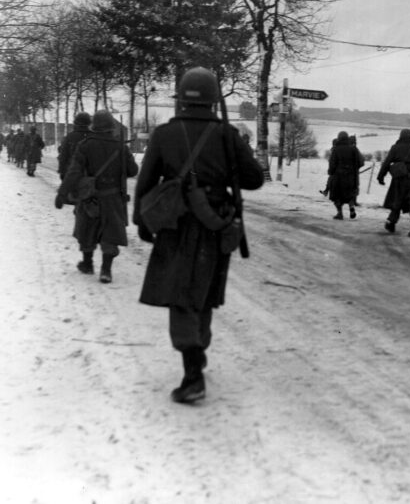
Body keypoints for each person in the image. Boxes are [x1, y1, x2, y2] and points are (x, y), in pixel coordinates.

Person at [133, 67, 264, 404]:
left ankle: (193, 374)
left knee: (180, 295)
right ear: (212, 101)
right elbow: (254, 179)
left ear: (181, 99)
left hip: (175, 225)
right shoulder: (226, 134)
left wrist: (143, 223)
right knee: (204, 292)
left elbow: (146, 182)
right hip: (215, 225)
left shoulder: (164, 134)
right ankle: (198, 351)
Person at [56, 110, 138, 283]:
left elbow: (74, 172)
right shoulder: (120, 146)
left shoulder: (85, 145)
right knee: (111, 233)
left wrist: (62, 194)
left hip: (89, 197)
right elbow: (133, 170)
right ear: (111, 127)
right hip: (113, 198)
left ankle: (87, 264)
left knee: (86, 229)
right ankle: (106, 271)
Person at [376, 128, 410, 237]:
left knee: (397, 203)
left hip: (399, 181)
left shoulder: (395, 148)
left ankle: (391, 223)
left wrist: (381, 177)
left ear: (400, 137)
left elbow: (386, 163)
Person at [327, 131, 364, 219]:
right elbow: (359, 162)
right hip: (351, 176)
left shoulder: (336, 149)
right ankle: (351, 206)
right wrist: (353, 169)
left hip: (338, 177)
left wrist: (331, 172)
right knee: (350, 194)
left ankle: (340, 213)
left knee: (337, 195)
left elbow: (332, 163)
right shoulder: (353, 149)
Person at [58, 112, 92, 179]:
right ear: (89, 123)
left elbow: (63, 156)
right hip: (89, 176)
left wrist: (62, 171)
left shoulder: (69, 137)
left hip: (71, 173)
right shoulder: (93, 136)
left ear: (75, 123)